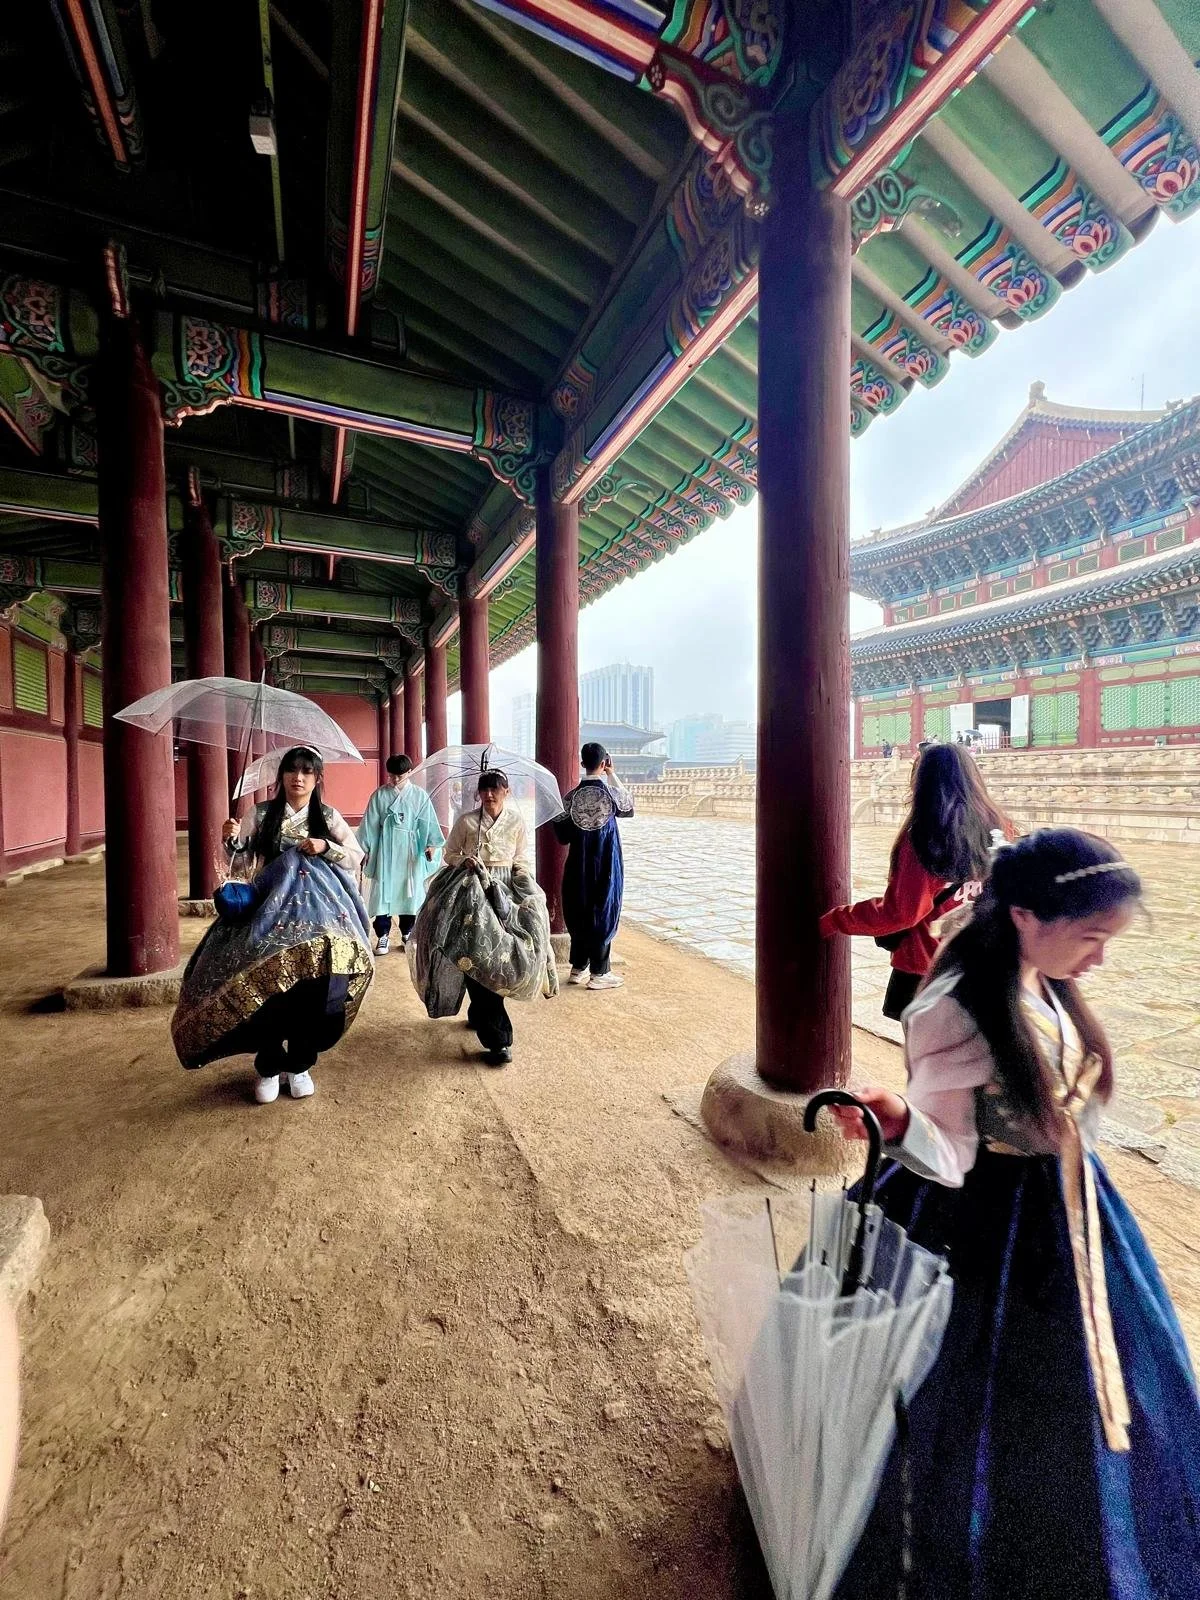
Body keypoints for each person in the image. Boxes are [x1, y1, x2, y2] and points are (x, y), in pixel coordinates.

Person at [826, 829, 1200, 1599]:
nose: (1099, 958)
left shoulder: (1039, 974)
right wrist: (899, 1121)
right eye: (1092, 937)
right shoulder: (956, 1007)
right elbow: (952, 1150)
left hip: (1067, 1199)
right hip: (983, 1220)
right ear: (1025, 914)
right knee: (984, 1397)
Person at [171, 746, 371, 1104]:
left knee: (314, 987)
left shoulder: (327, 816)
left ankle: (300, 1063)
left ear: (317, 778)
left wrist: (325, 846)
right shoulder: (259, 813)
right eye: (292, 771)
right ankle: (268, 1065)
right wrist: (232, 840)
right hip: (268, 912)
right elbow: (238, 862)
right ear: (281, 777)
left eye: (307, 772)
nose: (299, 778)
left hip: (321, 913)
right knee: (264, 986)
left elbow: (355, 855)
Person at [820, 742, 1010, 1020]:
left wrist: (837, 919)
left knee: (927, 1056)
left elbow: (902, 912)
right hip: (978, 961)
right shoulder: (1000, 828)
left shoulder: (925, 838)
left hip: (927, 966)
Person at [410, 769, 556, 1066]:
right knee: (477, 952)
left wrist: (522, 878)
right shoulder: (466, 822)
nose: (489, 794)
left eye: (496, 789)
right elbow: (448, 854)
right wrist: (465, 860)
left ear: (507, 791)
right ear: (479, 793)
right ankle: (498, 1038)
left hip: (506, 889)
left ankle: (481, 1013)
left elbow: (521, 857)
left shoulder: (516, 822)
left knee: (502, 956)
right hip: (471, 889)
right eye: (485, 789)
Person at [552, 742, 634, 990]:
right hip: (606, 861)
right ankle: (600, 972)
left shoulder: (570, 798)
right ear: (603, 763)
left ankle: (578, 967)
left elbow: (561, 835)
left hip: (578, 862)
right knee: (603, 910)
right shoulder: (611, 794)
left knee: (578, 910)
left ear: (581, 763)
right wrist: (612, 774)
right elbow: (628, 808)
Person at [357, 754, 443, 954]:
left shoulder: (420, 796)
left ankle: (407, 932)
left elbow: (428, 822)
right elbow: (369, 824)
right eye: (392, 776)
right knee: (382, 894)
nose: (395, 780)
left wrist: (431, 844)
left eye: (400, 776)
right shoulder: (379, 795)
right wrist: (365, 849)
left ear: (409, 773)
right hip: (385, 848)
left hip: (410, 849)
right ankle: (383, 936)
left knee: (409, 893)